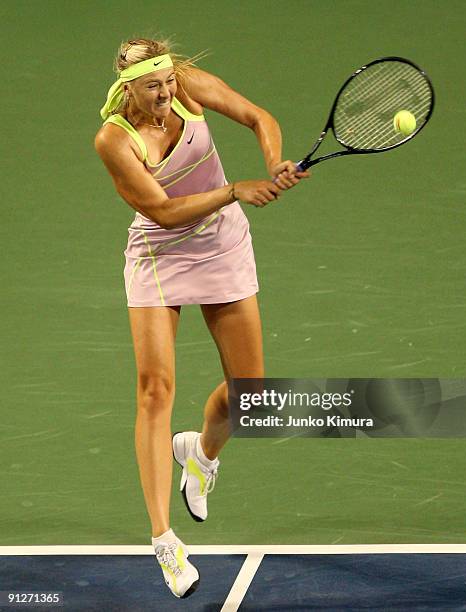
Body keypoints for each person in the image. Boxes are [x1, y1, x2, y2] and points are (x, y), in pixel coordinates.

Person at [94, 37, 309, 599]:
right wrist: (235, 188)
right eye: (152, 86)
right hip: (162, 256)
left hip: (222, 245)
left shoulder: (186, 85)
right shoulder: (114, 141)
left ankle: (200, 453)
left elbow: (256, 115)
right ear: (128, 89)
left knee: (251, 393)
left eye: (167, 81)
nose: (166, 93)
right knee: (153, 390)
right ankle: (164, 541)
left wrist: (272, 162)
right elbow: (162, 212)